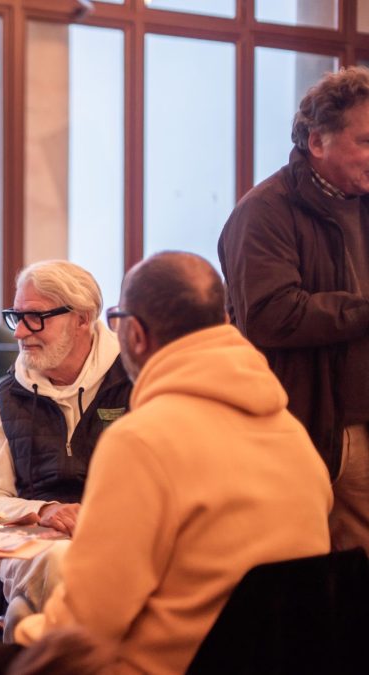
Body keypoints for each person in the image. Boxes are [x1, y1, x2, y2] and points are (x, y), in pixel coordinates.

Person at [14, 251, 332, 674]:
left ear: (137, 334)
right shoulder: (292, 436)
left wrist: (21, 627)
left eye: (117, 319)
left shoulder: (142, 442)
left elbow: (85, 626)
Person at [219, 66, 369, 554]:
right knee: (334, 576)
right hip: (318, 427)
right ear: (316, 142)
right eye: (365, 141)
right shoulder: (264, 212)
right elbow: (270, 313)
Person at [0, 260, 132, 640]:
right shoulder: (8, 397)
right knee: (62, 560)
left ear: (83, 319)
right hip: (32, 542)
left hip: (119, 535)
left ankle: (25, 630)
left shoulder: (134, 379)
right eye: (17, 317)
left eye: (35, 318)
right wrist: (44, 511)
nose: (20, 333)